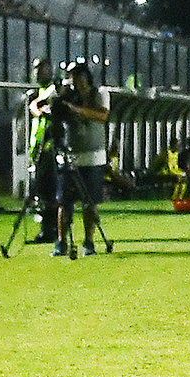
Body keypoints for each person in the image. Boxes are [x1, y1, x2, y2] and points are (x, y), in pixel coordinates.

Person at [53, 60, 110, 258]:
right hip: (69, 156)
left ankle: (89, 242)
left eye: (76, 76)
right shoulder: (66, 95)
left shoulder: (100, 93)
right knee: (64, 202)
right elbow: (42, 107)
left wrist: (75, 109)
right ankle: (60, 243)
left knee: (90, 202)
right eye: (70, 77)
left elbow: (102, 116)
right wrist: (59, 100)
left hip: (93, 157)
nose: (73, 81)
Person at [22, 59, 61, 245]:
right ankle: (47, 229)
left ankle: (52, 230)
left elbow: (45, 109)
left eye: (42, 70)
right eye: (36, 70)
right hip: (38, 147)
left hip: (50, 149)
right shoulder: (37, 93)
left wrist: (39, 106)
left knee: (50, 191)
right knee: (43, 193)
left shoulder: (55, 88)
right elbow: (37, 109)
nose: (38, 73)